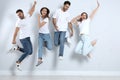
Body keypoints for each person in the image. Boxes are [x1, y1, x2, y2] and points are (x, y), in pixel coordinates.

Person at [12, 1, 36, 70]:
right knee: (28, 51)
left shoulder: (27, 16)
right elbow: (15, 32)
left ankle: (17, 48)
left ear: (22, 13)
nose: (19, 16)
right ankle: (18, 61)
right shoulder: (18, 22)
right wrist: (13, 39)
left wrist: (34, 4)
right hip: (23, 38)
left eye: (19, 14)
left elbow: (32, 11)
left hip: (28, 37)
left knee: (30, 52)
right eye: (18, 15)